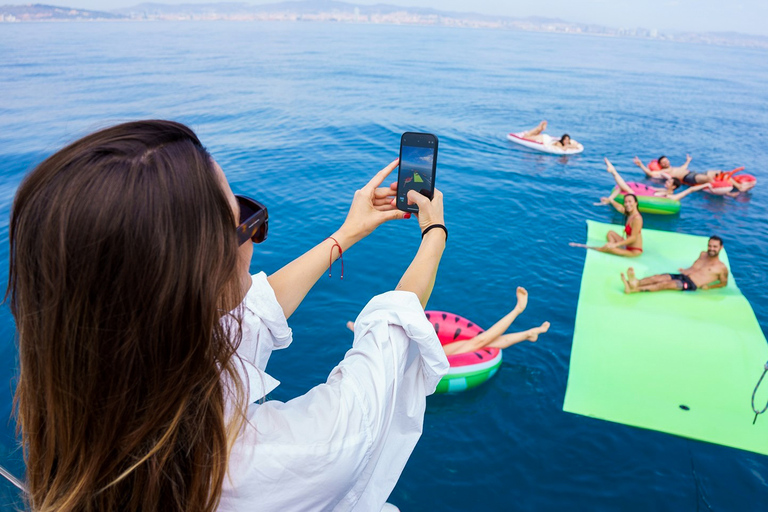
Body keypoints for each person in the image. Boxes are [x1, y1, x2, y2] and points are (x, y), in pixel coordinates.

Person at [7, 120, 450, 512]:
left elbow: (253, 311)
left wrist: (346, 233)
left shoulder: (81, 413)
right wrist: (434, 233)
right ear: (195, 279)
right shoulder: (276, 461)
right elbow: (392, 336)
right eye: (243, 218)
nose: (254, 233)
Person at [346, 286, 550, 355]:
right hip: (424, 361)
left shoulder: (386, 345)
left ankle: (528, 334)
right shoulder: (385, 353)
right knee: (480, 342)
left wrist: (358, 328)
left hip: (424, 353)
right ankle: (517, 311)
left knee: (484, 342)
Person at [620, 236, 728, 293]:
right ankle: (636, 282)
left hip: (691, 284)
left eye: (715, 247)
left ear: (721, 248)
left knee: (665, 284)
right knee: (658, 277)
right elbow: (697, 266)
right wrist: (686, 270)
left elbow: (723, 283)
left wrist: (708, 287)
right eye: (710, 246)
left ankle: (635, 290)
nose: (711, 249)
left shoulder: (721, 268)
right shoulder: (703, 254)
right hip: (683, 275)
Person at [598, 157, 710, 203]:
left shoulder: (673, 197)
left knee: (629, 191)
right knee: (626, 187)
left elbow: (690, 190)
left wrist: (707, 185)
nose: (666, 182)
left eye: (669, 182)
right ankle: (609, 197)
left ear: (674, 186)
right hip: (642, 194)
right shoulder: (662, 190)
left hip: (641, 197)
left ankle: (613, 172)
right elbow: (650, 188)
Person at [570, 192, 644, 257]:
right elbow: (620, 208)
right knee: (610, 233)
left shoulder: (637, 218)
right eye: (625, 202)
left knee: (606, 249)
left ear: (636, 203)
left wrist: (615, 245)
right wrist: (610, 200)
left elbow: (633, 238)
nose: (627, 204)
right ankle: (611, 245)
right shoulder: (630, 214)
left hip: (633, 251)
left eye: (630, 201)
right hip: (626, 245)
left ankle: (584, 246)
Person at [633, 154, 718, 185]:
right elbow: (651, 174)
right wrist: (641, 165)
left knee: (717, 172)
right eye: (663, 162)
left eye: (666, 161)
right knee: (707, 178)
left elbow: (683, 168)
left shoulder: (673, 168)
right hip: (688, 177)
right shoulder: (664, 171)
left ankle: (727, 182)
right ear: (661, 165)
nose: (666, 163)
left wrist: (688, 161)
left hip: (694, 173)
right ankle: (719, 186)